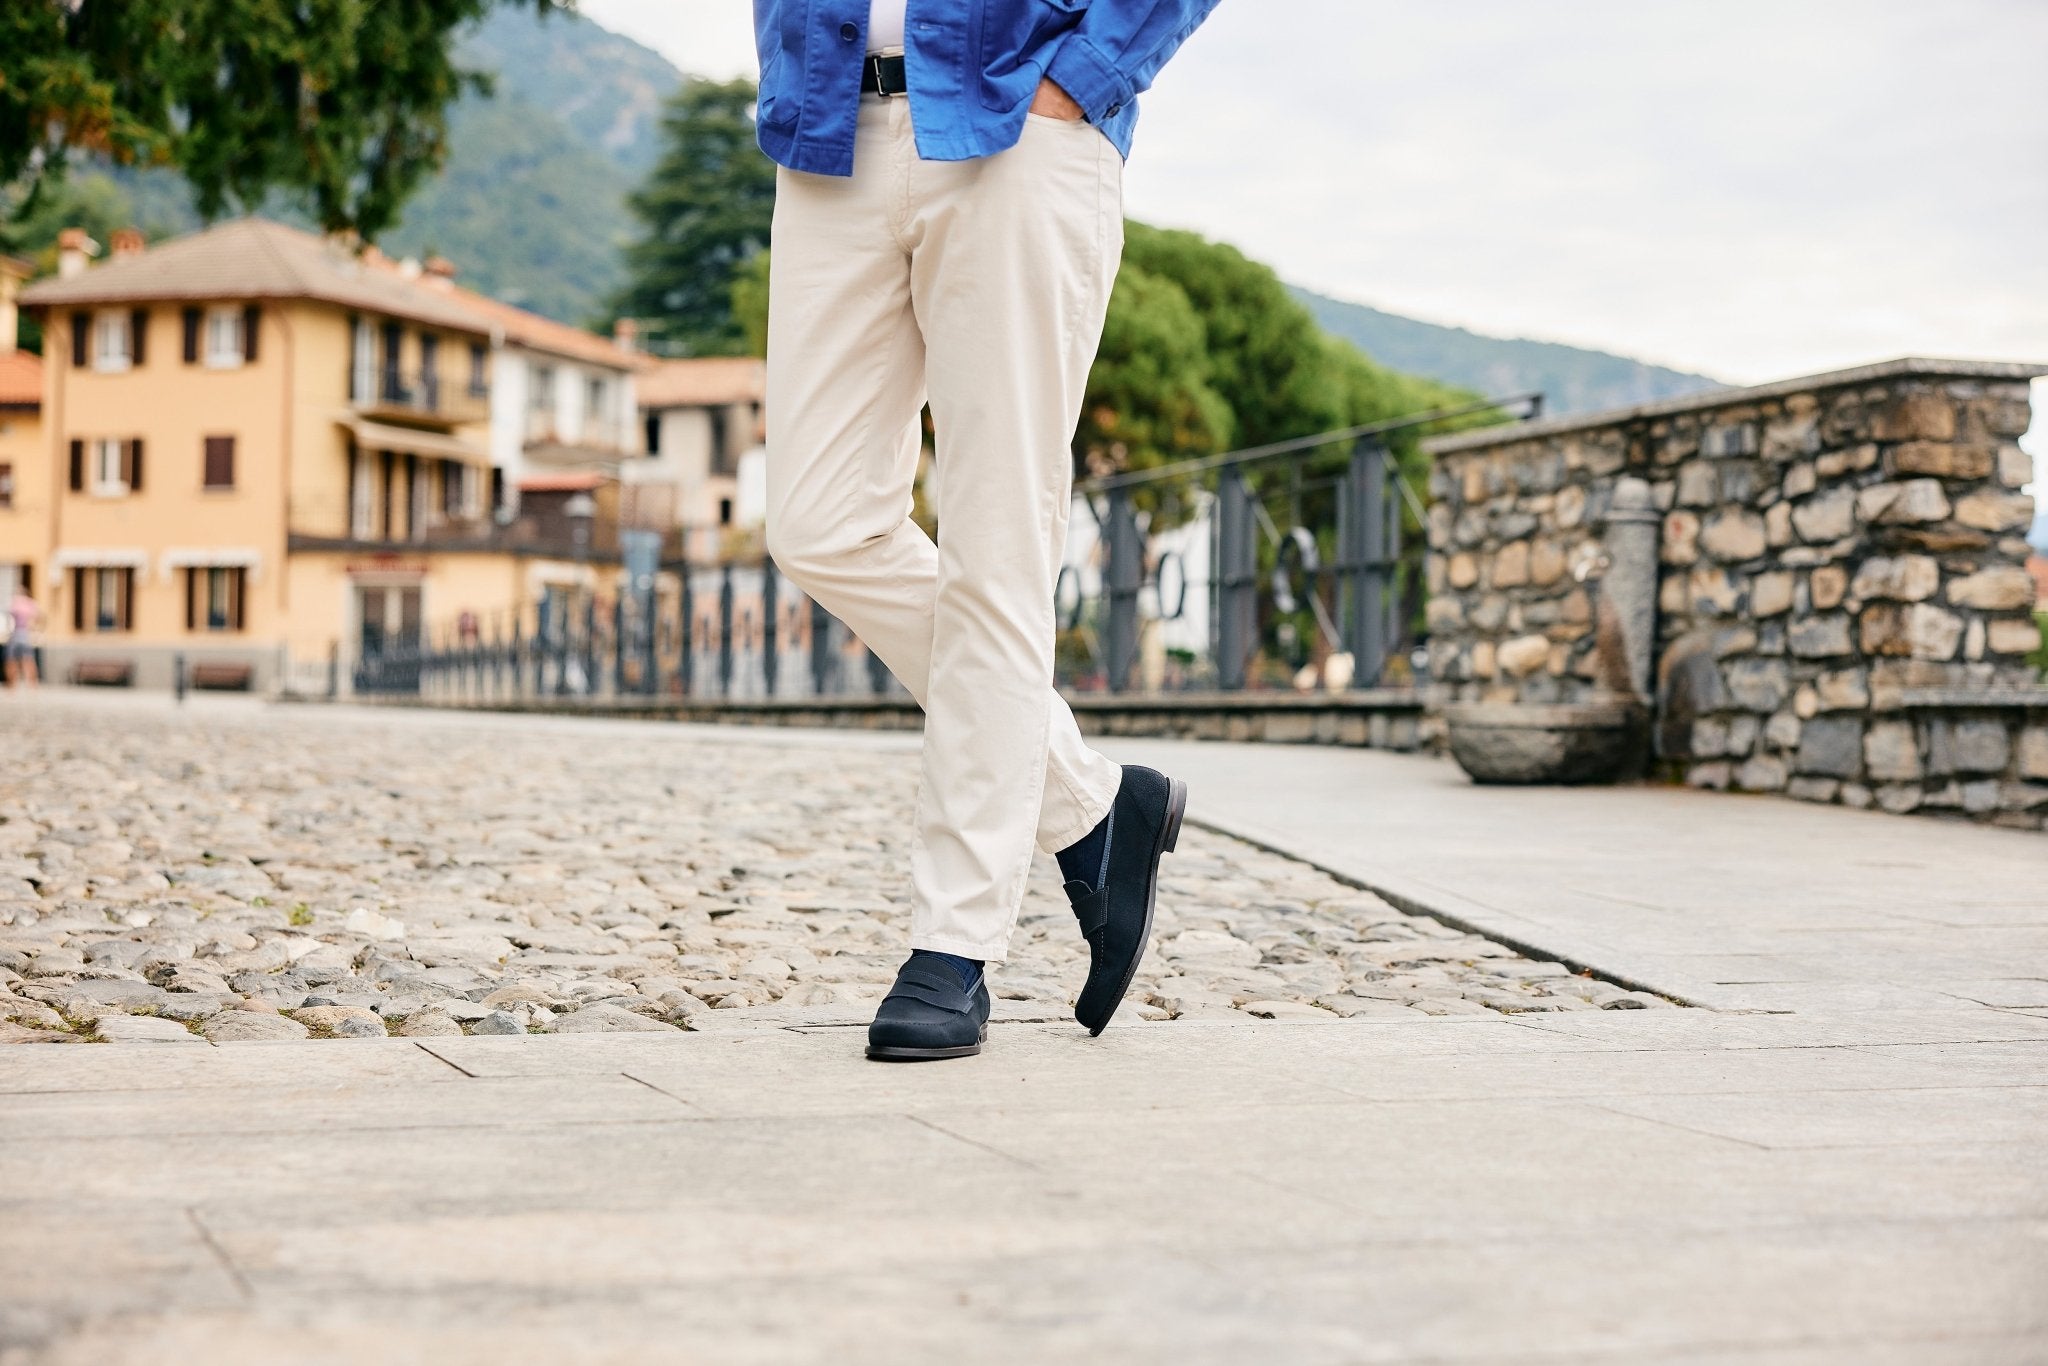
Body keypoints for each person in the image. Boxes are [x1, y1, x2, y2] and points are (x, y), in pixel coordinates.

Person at [755, 0, 1220, 1061]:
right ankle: (1093, 810)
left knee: (995, 538)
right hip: (828, 126)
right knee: (819, 521)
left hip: (1019, 118)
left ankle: (952, 946)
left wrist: (1088, 76)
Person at [5, 585, 39, 689]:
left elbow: (9, 618)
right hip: (26, 634)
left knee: (11, 660)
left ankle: (11, 685)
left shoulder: (15, 603)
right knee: (28, 660)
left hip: (16, 634)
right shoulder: (32, 604)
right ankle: (32, 685)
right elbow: (38, 618)